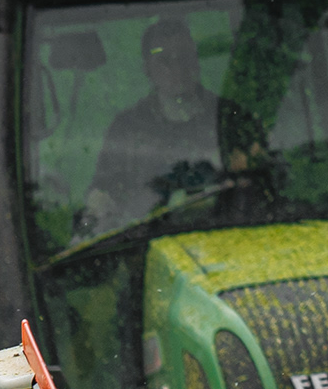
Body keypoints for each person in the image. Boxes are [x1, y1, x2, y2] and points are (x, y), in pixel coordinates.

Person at [79, 18, 225, 234]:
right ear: (147, 67)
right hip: (146, 244)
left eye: (184, 57)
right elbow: (106, 191)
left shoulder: (226, 118)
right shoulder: (127, 128)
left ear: (196, 61)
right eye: (165, 60)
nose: (177, 68)